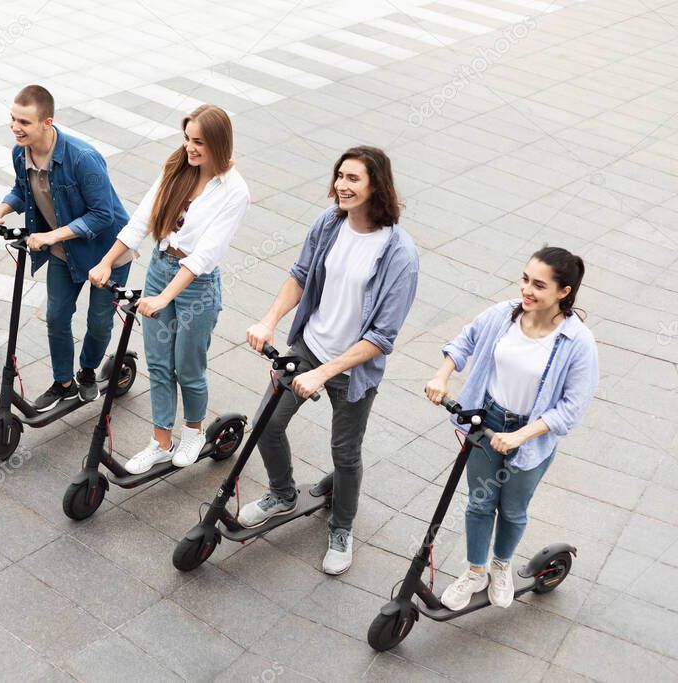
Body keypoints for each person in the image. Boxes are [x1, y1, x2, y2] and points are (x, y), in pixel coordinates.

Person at [242, 146, 419, 575]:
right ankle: (282, 494)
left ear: (377, 185)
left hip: (353, 369)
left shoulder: (400, 255)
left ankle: (342, 528)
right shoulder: (329, 223)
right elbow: (301, 275)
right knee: (266, 423)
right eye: (340, 175)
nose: (342, 185)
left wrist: (325, 372)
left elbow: (381, 337)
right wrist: (268, 320)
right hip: (309, 347)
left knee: (345, 452)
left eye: (354, 178)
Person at [425, 246, 598, 610]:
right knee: (479, 502)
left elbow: (571, 408)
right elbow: (465, 340)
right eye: (524, 279)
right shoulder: (504, 315)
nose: (526, 290)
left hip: (530, 436)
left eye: (538, 285)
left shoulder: (577, 342)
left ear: (564, 292)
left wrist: (521, 435)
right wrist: (442, 375)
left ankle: (501, 567)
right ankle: (475, 571)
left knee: (514, 509)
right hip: (487, 420)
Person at [89, 105, 250, 474]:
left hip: (196, 286)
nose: (190, 149)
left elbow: (204, 256)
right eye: (187, 139)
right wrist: (106, 261)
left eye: (199, 143)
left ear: (220, 144)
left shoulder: (235, 192)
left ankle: (193, 431)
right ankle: (161, 441)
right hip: (161, 268)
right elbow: (143, 219)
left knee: (188, 367)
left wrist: (165, 298)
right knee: (160, 364)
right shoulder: (177, 167)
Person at [0, 85, 131, 411]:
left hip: (107, 253)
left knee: (99, 322)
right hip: (65, 250)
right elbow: (23, 190)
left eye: (25, 122)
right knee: (57, 316)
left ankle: (87, 371)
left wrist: (51, 236)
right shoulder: (21, 152)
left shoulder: (83, 159)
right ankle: (63, 382)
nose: (16, 127)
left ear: (47, 123)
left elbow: (103, 215)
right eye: (13, 119)